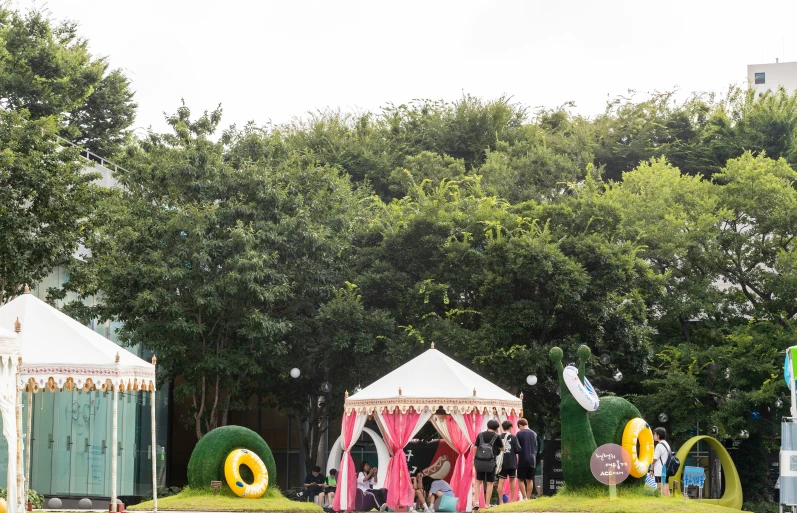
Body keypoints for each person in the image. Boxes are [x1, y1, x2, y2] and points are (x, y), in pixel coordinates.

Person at [473, 419, 502, 509]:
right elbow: (502, 449)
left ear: (487, 425)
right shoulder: (497, 436)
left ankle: (476, 502)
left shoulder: (480, 435)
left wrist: (475, 458)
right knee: (490, 483)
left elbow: (475, 448)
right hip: (490, 462)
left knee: (478, 482)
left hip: (480, 461)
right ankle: (487, 504)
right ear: (497, 428)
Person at [496, 420, 521, 504]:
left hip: (501, 462)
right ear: (511, 427)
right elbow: (518, 450)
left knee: (501, 481)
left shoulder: (499, 437)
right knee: (512, 480)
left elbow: (496, 450)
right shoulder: (514, 437)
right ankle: (511, 500)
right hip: (512, 462)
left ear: (502, 428)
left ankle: (501, 501)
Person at [515, 418, 538, 500]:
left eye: (519, 427)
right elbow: (535, 446)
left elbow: (517, 448)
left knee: (520, 479)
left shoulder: (519, 434)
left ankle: (524, 497)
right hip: (532, 459)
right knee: (530, 479)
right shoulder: (534, 434)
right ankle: (528, 497)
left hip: (522, 459)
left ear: (520, 425)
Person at [652, 427, 671, 496]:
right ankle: (667, 500)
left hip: (659, 469)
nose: (653, 436)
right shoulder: (666, 444)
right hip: (666, 469)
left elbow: (654, 459)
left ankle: (664, 501)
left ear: (658, 435)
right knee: (666, 485)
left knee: (660, 486)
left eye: (654, 434)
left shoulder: (659, 445)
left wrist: (651, 469)